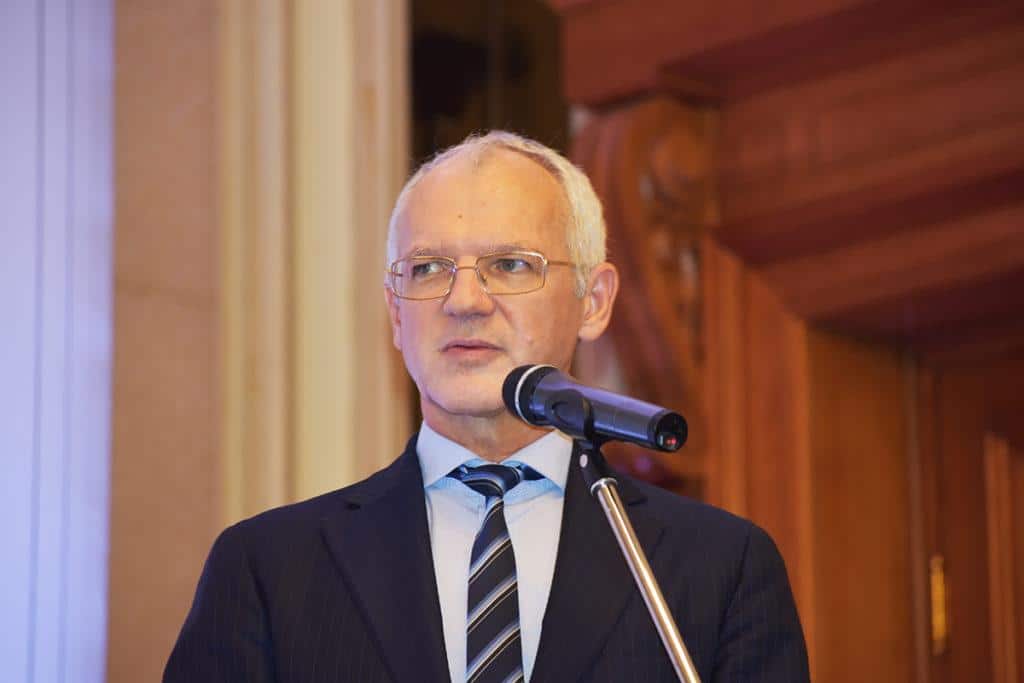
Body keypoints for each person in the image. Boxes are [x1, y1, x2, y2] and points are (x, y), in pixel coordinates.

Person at [164, 131, 809, 682]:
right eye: (427, 269)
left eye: (509, 264)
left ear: (593, 302)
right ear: (396, 313)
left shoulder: (718, 568)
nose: (464, 301)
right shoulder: (269, 570)